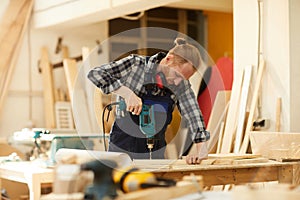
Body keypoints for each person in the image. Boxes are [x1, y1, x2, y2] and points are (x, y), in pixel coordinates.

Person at [87, 37, 210, 164]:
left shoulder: (180, 85)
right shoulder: (135, 65)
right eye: (177, 75)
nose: (178, 82)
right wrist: (127, 93)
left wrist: (201, 149)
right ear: (169, 59)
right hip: (122, 146)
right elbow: (95, 74)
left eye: (183, 79)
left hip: (155, 151)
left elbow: (193, 114)